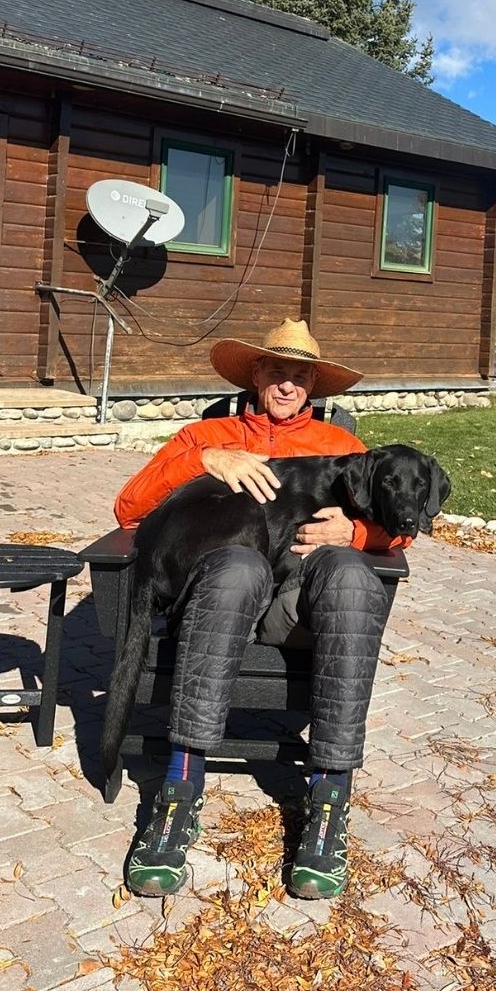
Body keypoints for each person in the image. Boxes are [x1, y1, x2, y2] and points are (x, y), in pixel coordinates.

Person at [108, 321, 406, 900]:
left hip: (298, 607)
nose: (287, 385)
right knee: (237, 567)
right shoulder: (206, 434)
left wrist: (358, 531)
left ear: (314, 386)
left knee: (349, 575)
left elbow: (400, 525)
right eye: (276, 371)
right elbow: (128, 507)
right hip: (220, 596)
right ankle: (179, 789)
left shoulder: (342, 448)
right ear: (255, 376)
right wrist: (207, 461)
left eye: (300, 375)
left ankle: (328, 800)